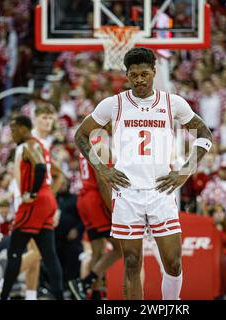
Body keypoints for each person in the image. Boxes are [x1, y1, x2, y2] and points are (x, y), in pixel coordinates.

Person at [75, 48, 213, 300]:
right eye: (134, 75)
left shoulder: (173, 103)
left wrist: (184, 171)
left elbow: (205, 134)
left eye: (144, 74)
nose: (139, 79)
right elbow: (80, 135)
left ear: (153, 73)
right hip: (127, 194)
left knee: (173, 262)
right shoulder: (113, 104)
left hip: (161, 192)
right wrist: (102, 169)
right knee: (131, 262)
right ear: (127, 76)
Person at [0, 116, 64, 300]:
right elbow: (57, 174)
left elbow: (41, 167)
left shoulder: (28, 145)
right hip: (47, 198)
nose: (11, 135)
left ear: (22, 128)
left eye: (13, 130)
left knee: (14, 253)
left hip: (34, 202)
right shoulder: (41, 145)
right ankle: (58, 296)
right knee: (49, 256)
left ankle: (3, 293)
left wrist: (32, 193)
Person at [68, 136, 122, 300]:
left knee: (97, 251)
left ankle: (95, 294)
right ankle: (84, 283)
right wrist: (113, 210)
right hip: (95, 199)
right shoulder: (101, 147)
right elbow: (102, 181)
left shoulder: (86, 146)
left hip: (83, 198)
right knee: (119, 248)